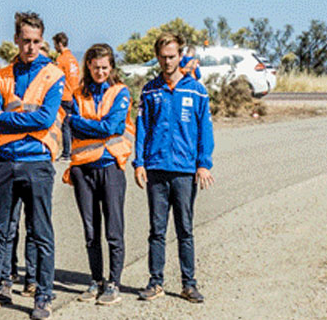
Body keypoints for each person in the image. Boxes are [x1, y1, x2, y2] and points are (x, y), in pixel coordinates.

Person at [0, 11, 64, 320]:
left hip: (37, 162)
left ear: (42, 41)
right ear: (16, 40)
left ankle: (42, 295)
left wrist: (7, 117)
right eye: (25, 41)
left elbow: (44, 119)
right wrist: (15, 121)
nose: (31, 46)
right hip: (5, 161)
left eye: (36, 41)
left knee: (40, 231)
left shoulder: (53, 75)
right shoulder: (2, 76)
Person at [135, 33, 213, 303]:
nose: (168, 61)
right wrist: (139, 163)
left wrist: (203, 163)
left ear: (181, 56)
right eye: (163, 57)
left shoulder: (196, 90)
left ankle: (188, 283)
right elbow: (142, 129)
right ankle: (155, 282)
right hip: (156, 168)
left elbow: (205, 129)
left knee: (185, 229)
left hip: (184, 171)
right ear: (157, 57)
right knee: (157, 230)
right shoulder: (150, 90)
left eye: (172, 56)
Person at [66, 43, 134, 304]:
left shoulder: (120, 92)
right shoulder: (77, 94)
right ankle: (96, 280)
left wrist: (82, 124)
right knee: (91, 230)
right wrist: (89, 126)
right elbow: (69, 124)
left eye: (105, 67)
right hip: (83, 168)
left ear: (112, 67)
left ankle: (114, 282)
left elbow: (113, 126)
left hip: (110, 166)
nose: (100, 72)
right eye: (96, 67)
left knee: (113, 229)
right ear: (88, 67)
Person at [52, 31, 81, 160]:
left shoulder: (61, 60)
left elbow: (55, 77)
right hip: (74, 95)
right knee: (72, 124)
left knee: (65, 125)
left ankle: (66, 153)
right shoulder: (74, 59)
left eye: (55, 44)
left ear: (59, 44)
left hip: (64, 95)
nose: (54, 48)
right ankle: (73, 150)